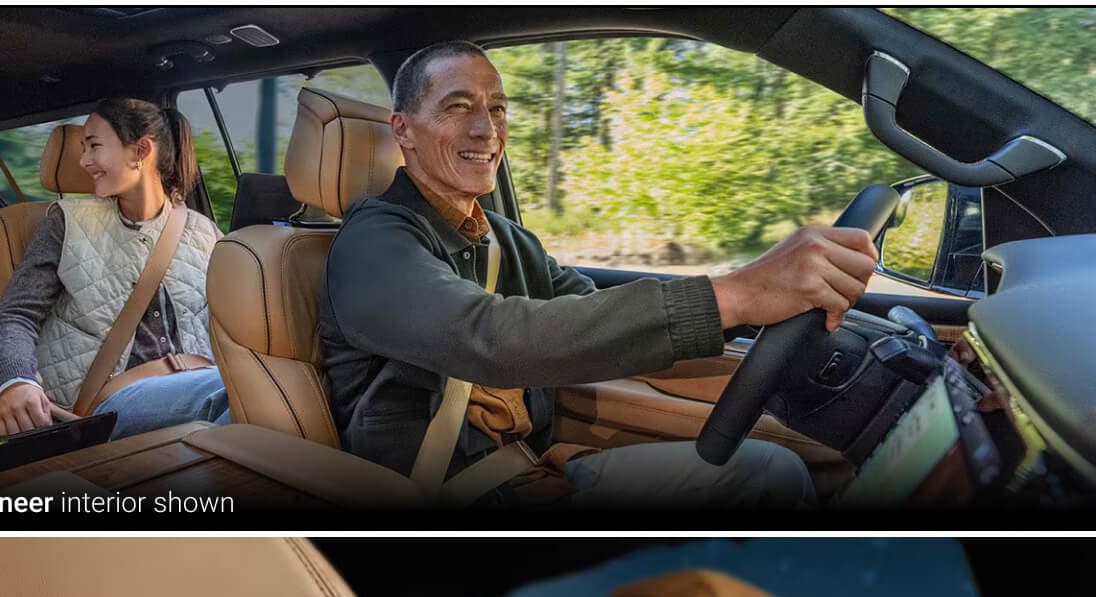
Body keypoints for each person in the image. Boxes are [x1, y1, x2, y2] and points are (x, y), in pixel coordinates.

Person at [321, 41, 883, 508]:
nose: (486, 130)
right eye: (458, 107)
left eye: (498, 109)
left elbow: (594, 313)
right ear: (404, 129)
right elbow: (488, 338)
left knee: (768, 472)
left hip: (534, 471)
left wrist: (762, 300)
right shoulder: (373, 244)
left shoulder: (505, 238)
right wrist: (738, 294)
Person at [0, 97, 229, 439]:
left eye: (94, 146)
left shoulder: (205, 232)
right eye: (83, 148)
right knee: (237, 394)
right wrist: (13, 379)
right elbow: (15, 316)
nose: (84, 161)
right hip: (111, 398)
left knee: (265, 388)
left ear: (141, 151)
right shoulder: (67, 223)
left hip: (198, 379)